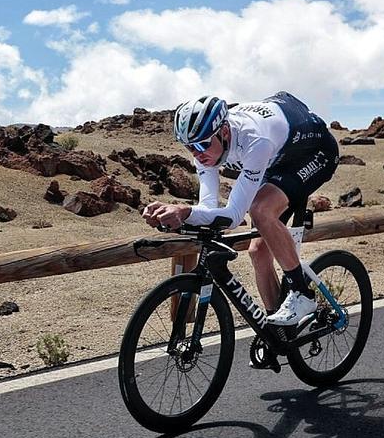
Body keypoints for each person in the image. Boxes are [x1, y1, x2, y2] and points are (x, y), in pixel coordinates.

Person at [141, 91, 339, 326]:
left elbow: (234, 216)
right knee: (258, 251)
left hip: (314, 153)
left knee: (260, 210)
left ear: (224, 132)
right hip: (278, 157)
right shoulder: (206, 145)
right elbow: (208, 206)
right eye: (189, 147)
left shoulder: (255, 140)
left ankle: (302, 295)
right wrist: (179, 216)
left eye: (202, 144)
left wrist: (184, 211)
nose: (197, 153)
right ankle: (278, 330)